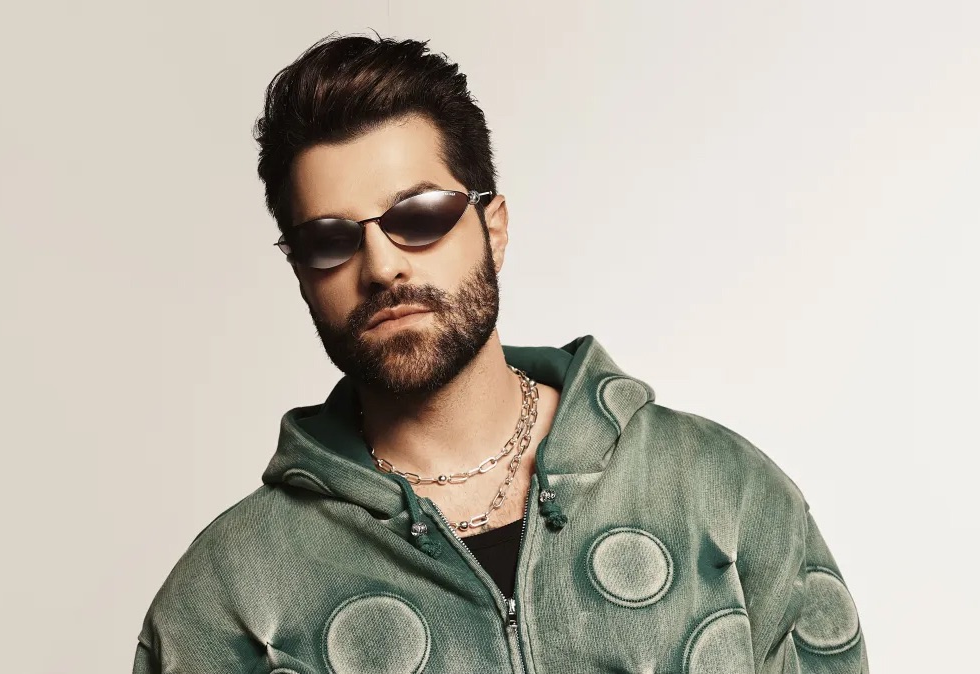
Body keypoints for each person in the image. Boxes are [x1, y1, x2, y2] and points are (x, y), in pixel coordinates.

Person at [133, 34, 869, 674]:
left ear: (494, 228)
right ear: (301, 272)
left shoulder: (719, 492)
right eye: (331, 239)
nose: (383, 266)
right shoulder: (229, 595)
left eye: (419, 215)